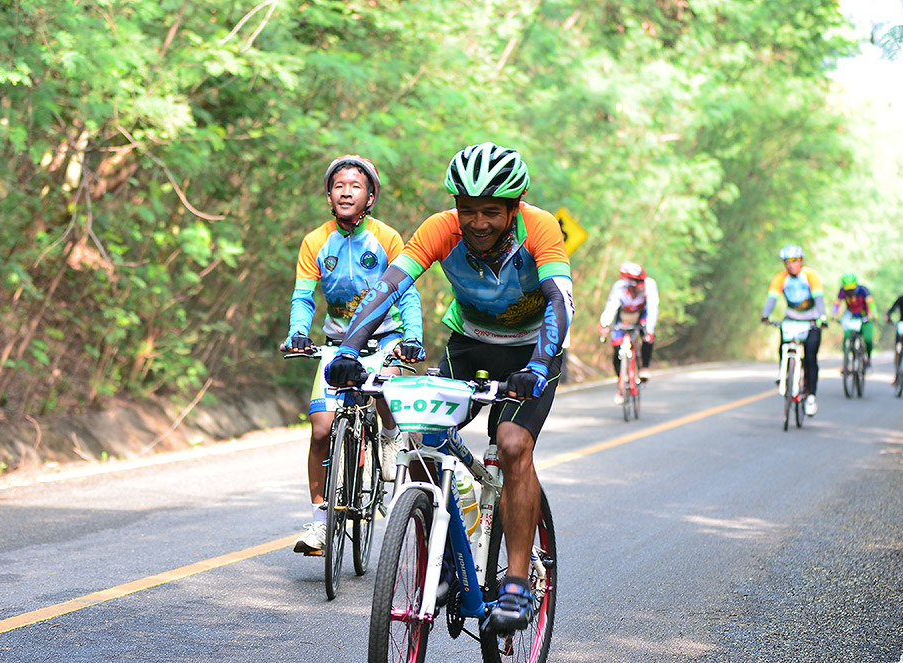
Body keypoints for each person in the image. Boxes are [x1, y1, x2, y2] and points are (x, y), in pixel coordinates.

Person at [325, 142, 573, 634]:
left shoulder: (540, 228)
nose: (477, 222)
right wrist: (349, 349)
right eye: (467, 209)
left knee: (511, 444)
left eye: (490, 211)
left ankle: (517, 583)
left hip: (532, 353)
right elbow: (389, 286)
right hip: (470, 345)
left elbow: (559, 299)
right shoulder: (441, 228)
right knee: (425, 437)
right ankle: (441, 551)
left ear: (514, 207)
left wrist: (540, 364)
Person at [280, 154, 425, 556]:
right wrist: (297, 333)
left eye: (355, 186)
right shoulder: (315, 241)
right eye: (338, 186)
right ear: (329, 196)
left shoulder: (387, 238)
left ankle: (391, 438)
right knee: (321, 431)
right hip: (336, 342)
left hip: (384, 337)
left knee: (386, 388)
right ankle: (320, 522)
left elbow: (407, 292)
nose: (346, 192)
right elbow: (303, 296)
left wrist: (413, 336)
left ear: (370, 197)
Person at [760, 244, 826, 416]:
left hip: (811, 319)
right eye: (787, 261)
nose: (791, 265)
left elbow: (819, 299)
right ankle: (784, 373)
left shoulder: (810, 276)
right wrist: (765, 315)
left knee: (810, 358)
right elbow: (772, 299)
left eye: (794, 260)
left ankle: (811, 396)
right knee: (783, 346)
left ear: (801, 261)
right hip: (791, 318)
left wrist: (822, 317)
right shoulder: (780, 278)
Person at [598, 261, 659, 403]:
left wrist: (649, 330)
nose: (640, 286)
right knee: (617, 348)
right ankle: (621, 383)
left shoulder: (650, 285)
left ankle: (644, 368)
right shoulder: (619, 287)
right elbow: (611, 306)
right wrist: (604, 324)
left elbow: (652, 308)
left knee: (648, 336)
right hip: (623, 316)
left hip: (641, 315)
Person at [831, 272, 878, 369]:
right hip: (851, 316)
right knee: (847, 336)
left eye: (851, 290)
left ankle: (868, 359)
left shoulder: (863, 290)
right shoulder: (842, 291)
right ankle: (846, 362)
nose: (850, 292)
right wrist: (834, 314)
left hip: (864, 316)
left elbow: (871, 304)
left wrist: (873, 314)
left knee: (868, 339)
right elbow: (837, 304)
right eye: (848, 290)